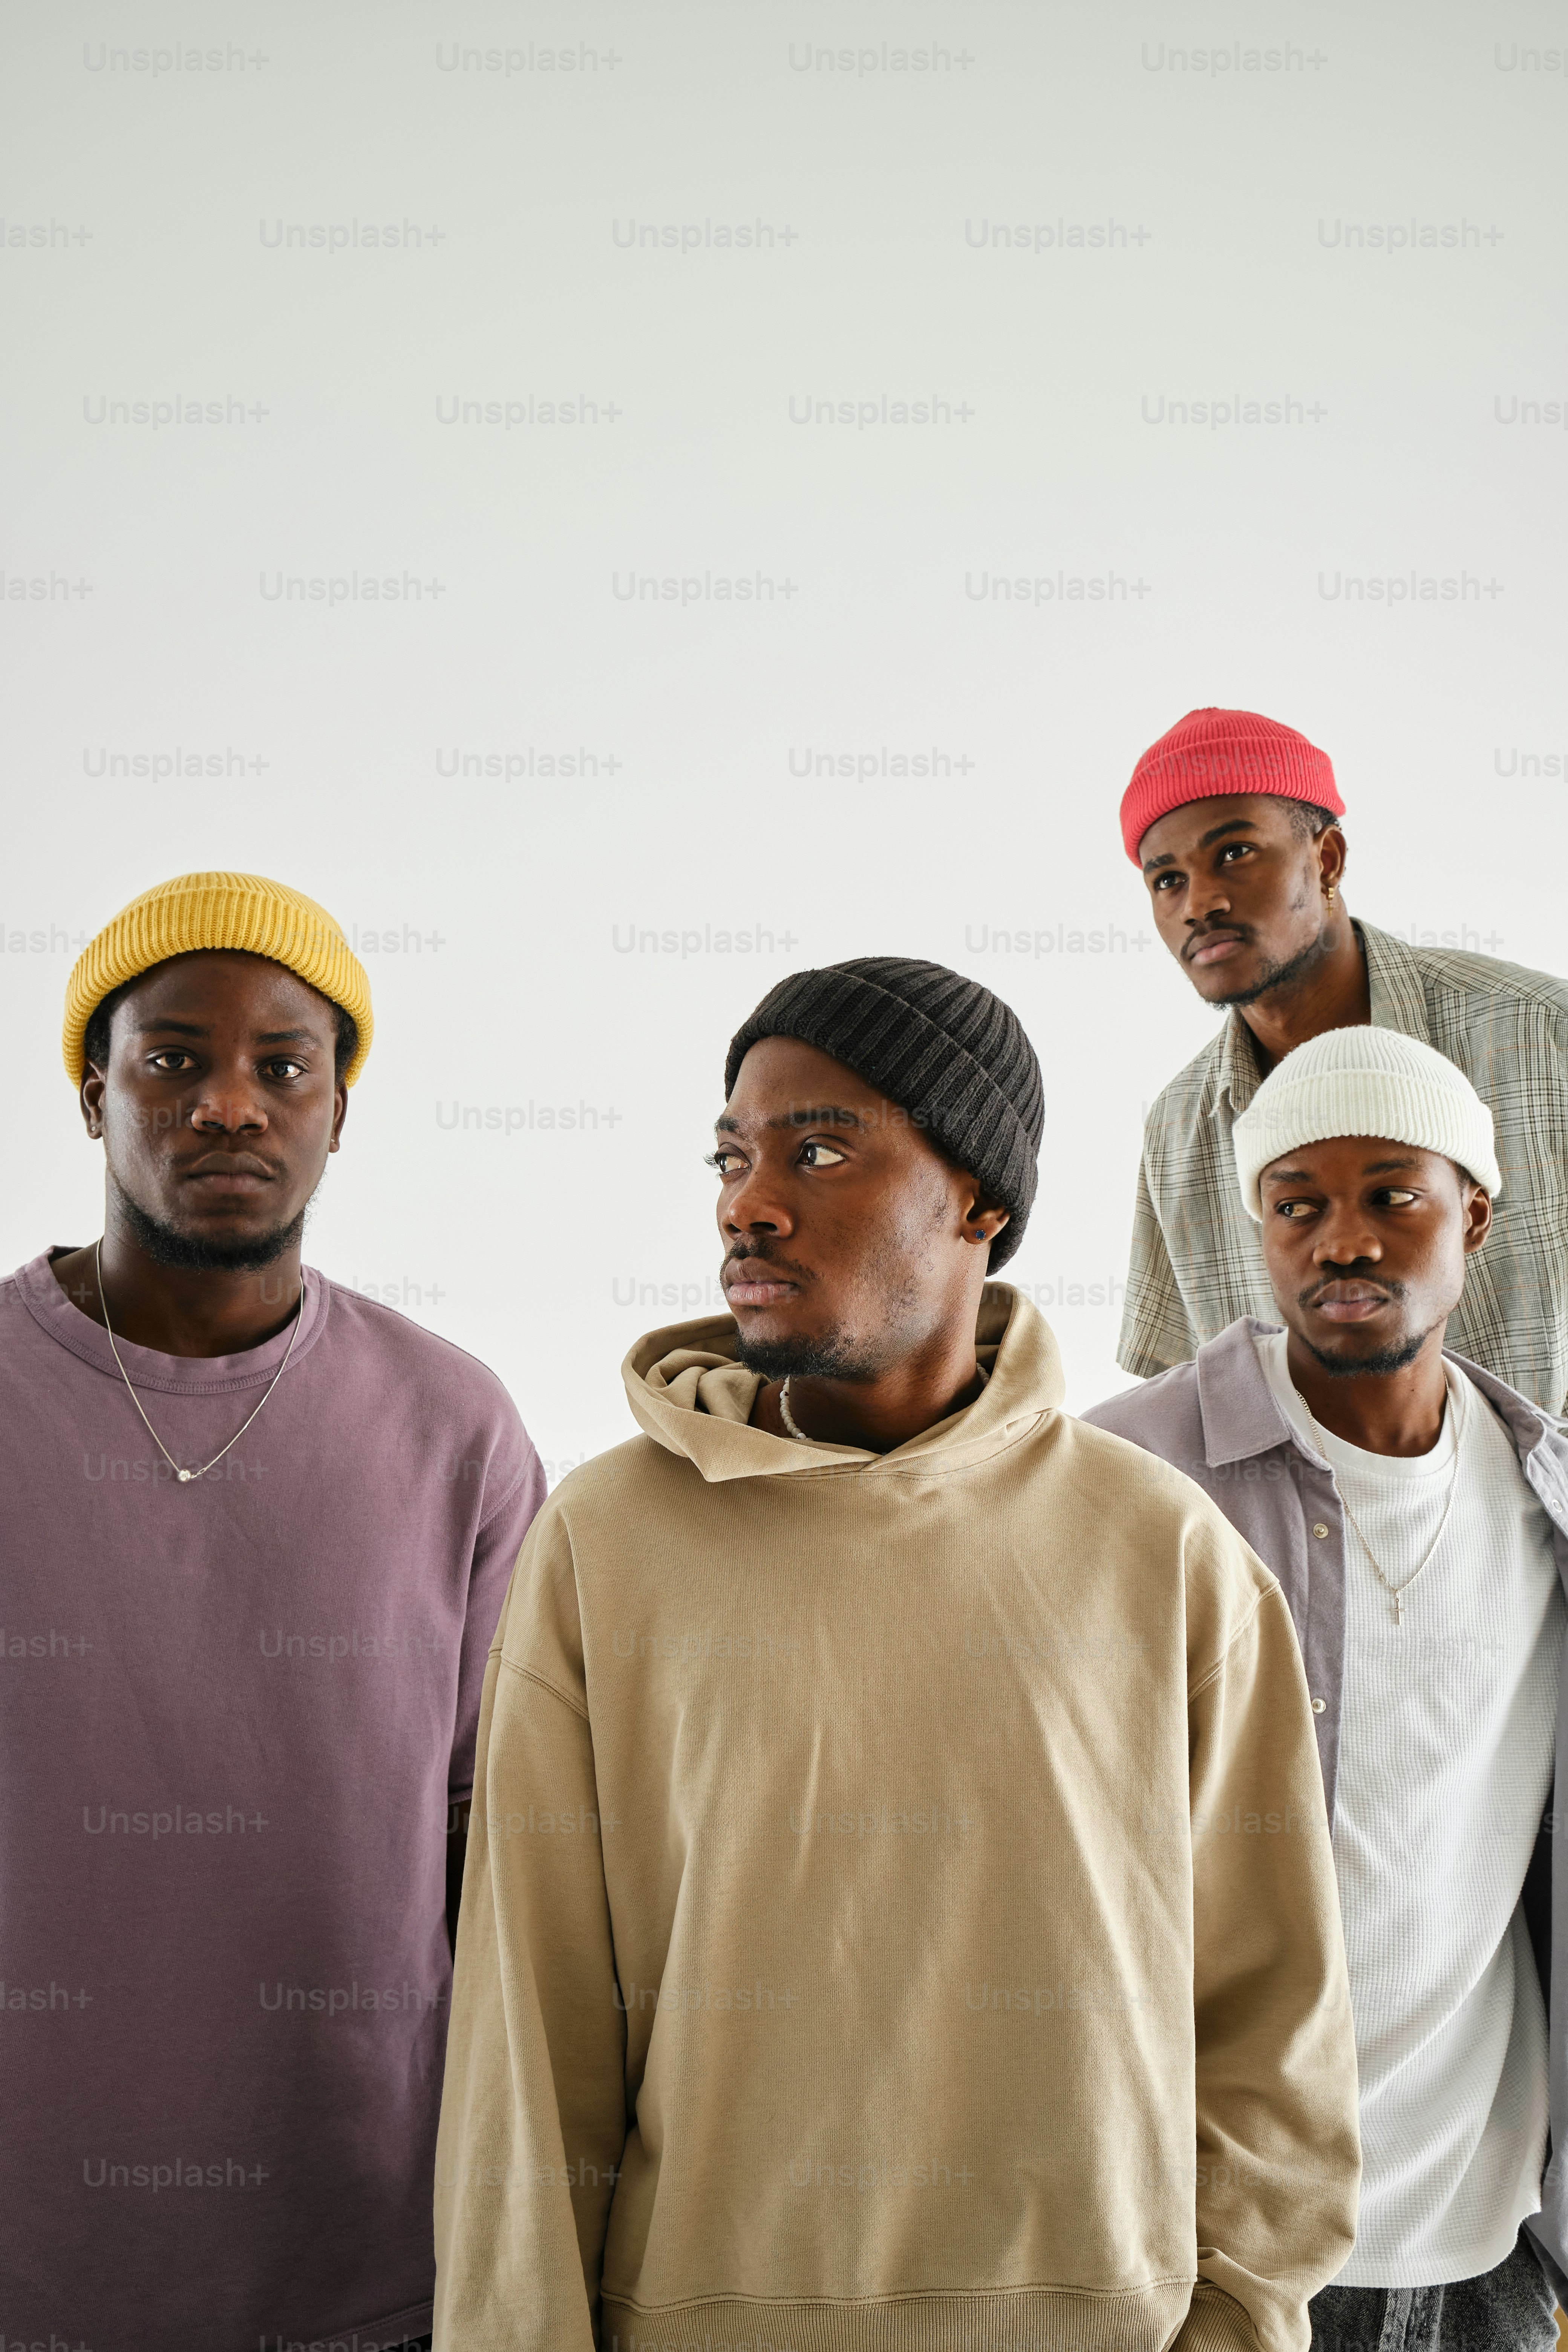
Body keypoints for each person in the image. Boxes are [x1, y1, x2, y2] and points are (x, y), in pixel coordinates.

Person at [433, 955, 1360, 2352]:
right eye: (733, 1157)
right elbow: (528, 2042)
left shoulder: (1163, 1554)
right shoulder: (607, 1546)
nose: (749, 1202)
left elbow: (1276, 2027)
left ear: (982, 1199)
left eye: (819, 1151)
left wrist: (1232, 2322)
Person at [1, 871, 544, 2352]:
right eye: (172, 1058)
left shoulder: (456, 1425)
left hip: (363, 2264)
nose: (227, 1105)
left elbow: (498, 1847)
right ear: (91, 1093)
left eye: (281, 1065)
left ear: (340, 1107)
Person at [1085, 1024, 1568, 2351]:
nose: (1341, 1241)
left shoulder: (1548, 1498)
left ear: (1474, 1212)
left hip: (1487, 2246)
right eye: (1296, 1206)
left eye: (1391, 1196)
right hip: (1207, 2244)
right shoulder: (1120, 1481)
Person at [1116, 704, 1568, 1412]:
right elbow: (1184, 1407)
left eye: (1234, 852)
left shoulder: (1543, 1036)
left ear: (1326, 859)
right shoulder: (1180, 1129)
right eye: (1166, 880)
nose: (1199, 902)